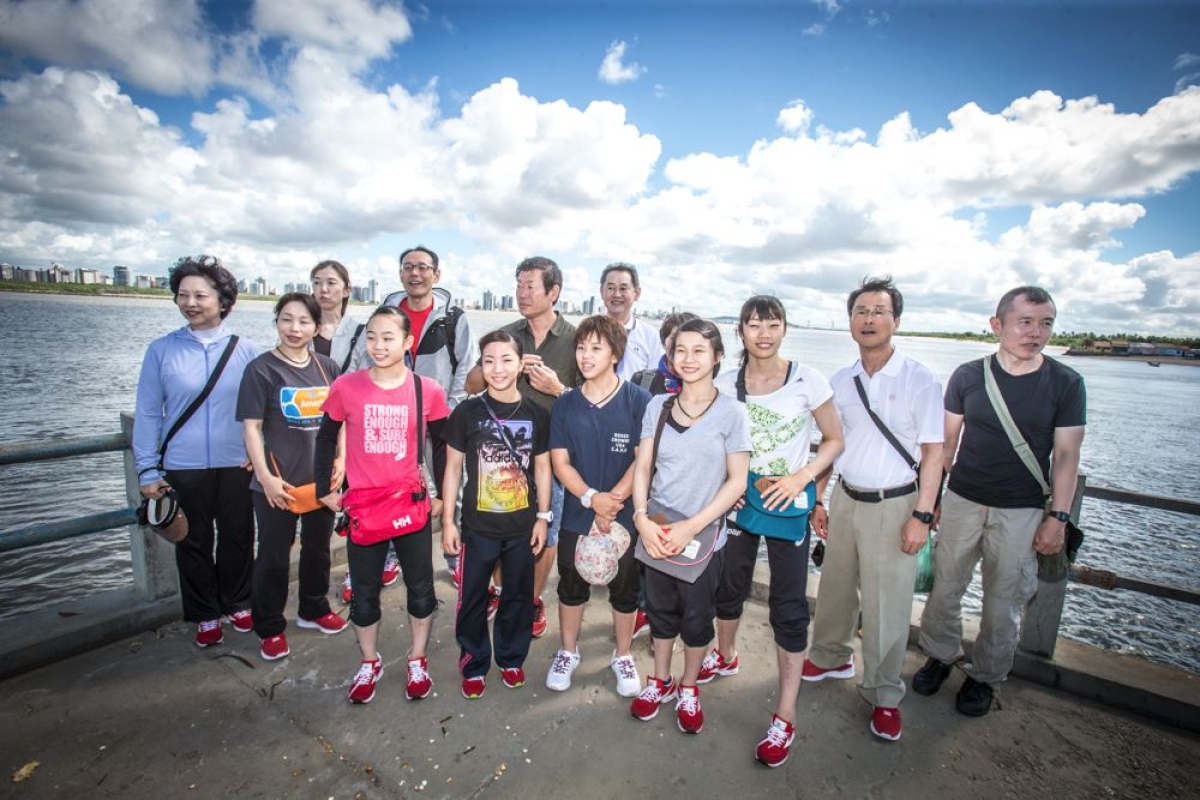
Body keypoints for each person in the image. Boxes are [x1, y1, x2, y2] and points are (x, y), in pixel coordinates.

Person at [915, 286, 1086, 717]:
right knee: (945, 586)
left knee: (1004, 600)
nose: (1036, 333)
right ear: (997, 325)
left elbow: (1067, 455)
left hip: (1022, 509)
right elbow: (946, 444)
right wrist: (930, 500)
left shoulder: (1066, 383)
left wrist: (1058, 518)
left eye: (1046, 323)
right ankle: (940, 656)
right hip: (963, 499)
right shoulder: (968, 376)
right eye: (1025, 322)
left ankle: (986, 676)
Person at [702, 296, 843, 765]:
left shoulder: (808, 379)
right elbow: (715, 440)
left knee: (788, 605)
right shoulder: (725, 382)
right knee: (729, 586)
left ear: (785, 329)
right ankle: (725, 655)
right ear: (740, 331)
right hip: (741, 501)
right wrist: (728, 483)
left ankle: (785, 713)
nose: (763, 333)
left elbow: (834, 440)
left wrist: (804, 479)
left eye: (772, 324)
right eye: (754, 324)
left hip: (788, 502)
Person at [803, 277, 943, 743]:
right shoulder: (841, 381)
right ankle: (829, 656)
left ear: (895, 321)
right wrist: (818, 499)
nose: (869, 319)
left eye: (879, 311)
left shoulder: (919, 379)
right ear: (850, 321)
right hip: (846, 497)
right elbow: (830, 445)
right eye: (860, 311)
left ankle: (884, 693)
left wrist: (922, 516)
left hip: (895, 502)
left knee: (887, 603)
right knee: (836, 587)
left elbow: (934, 454)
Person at [314, 306, 450, 704]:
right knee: (364, 593)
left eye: (388, 337)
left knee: (421, 590)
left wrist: (443, 495)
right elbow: (326, 437)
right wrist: (324, 488)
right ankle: (369, 661)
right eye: (371, 336)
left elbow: (441, 446)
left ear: (408, 342)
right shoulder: (347, 386)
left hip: (410, 505)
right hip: (364, 509)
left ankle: (417, 658)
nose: (378, 345)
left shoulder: (427, 389)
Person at [629, 319, 751, 735]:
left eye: (699, 350)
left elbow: (737, 480)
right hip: (659, 528)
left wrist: (693, 526)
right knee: (660, 611)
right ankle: (660, 680)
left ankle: (688, 685)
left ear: (717, 357)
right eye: (681, 350)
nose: (689, 358)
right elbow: (643, 466)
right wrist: (641, 517)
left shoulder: (732, 412)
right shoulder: (658, 406)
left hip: (704, 537)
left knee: (697, 619)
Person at [133, 255, 260, 648]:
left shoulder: (247, 351)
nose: (190, 302)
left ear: (223, 301)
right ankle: (205, 613)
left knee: (238, 536)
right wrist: (147, 470)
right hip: (182, 464)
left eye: (200, 295)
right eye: (183, 295)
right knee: (192, 540)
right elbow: (148, 412)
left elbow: (264, 409)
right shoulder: (161, 350)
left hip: (236, 462)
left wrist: (261, 453)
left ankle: (237, 601)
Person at [346, 246, 475, 594]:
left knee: (452, 489)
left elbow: (466, 368)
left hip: (440, 422)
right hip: (392, 423)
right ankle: (391, 556)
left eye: (422, 267)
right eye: (408, 267)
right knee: (389, 491)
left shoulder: (453, 319)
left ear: (436, 274)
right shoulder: (384, 315)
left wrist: (448, 412)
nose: (414, 273)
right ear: (400, 273)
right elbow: (363, 362)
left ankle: (454, 557)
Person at [465, 256, 582, 639]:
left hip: (554, 454)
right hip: (501, 455)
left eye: (530, 286)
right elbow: (470, 385)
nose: (522, 293)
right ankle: (500, 592)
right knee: (501, 528)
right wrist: (502, 366)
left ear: (553, 291)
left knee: (547, 532)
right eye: (518, 285)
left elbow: (591, 403)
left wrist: (557, 389)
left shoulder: (576, 339)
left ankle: (530, 600)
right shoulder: (506, 335)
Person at [238, 293, 348, 662]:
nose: (294, 328)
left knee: (318, 549)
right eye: (286, 319)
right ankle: (269, 626)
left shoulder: (327, 368)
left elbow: (340, 420)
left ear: (316, 327)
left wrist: (342, 459)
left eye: (304, 321)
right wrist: (266, 478)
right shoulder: (261, 370)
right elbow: (252, 428)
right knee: (273, 556)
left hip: (320, 481)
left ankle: (313, 608)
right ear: (277, 322)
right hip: (277, 482)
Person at [441, 330, 552, 699]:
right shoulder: (467, 412)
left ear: (521, 365)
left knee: (517, 597)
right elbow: (452, 468)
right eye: (489, 360)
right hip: (477, 527)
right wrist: (448, 522)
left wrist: (543, 517)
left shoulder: (536, 414)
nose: (497, 368)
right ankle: (474, 662)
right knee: (472, 598)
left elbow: (543, 468)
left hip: (522, 527)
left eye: (506, 359)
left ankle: (511, 658)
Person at [547, 316, 652, 695]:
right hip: (578, 512)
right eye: (581, 347)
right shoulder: (566, 404)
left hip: (624, 516)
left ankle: (622, 654)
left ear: (615, 354)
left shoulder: (638, 400)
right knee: (571, 586)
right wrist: (592, 498)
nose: (586, 355)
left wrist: (614, 501)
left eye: (596, 348)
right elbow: (560, 461)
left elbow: (643, 459)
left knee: (625, 590)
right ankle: (568, 650)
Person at [600, 262, 664, 381]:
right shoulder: (589, 333)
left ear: (636, 293)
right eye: (611, 288)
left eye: (623, 288)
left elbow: (656, 380)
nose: (617, 294)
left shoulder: (650, 336)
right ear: (602, 292)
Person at [310, 259, 363, 372]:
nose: (323, 289)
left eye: (331, 283)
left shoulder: (361, 333)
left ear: (346, 290)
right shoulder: (300, 329)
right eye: (317, 283)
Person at [629, 311, 699, 396]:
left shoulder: (709, 387)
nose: (681, 344)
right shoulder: (641, 381)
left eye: (690, 339)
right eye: (674, 338)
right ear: (663, 342)